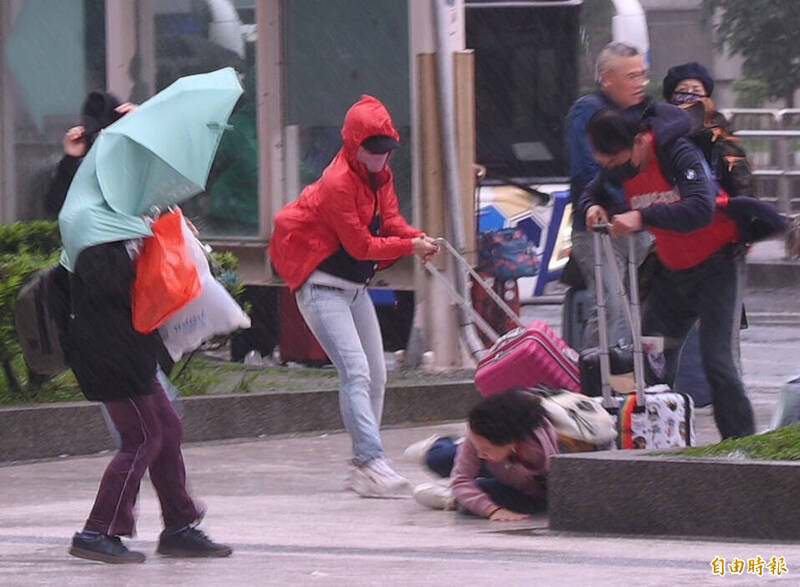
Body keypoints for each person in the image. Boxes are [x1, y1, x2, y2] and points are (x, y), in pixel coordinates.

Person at [269, 95, 439, 498]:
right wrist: (409, 247)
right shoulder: (338, 183)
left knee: (376, 374)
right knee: (356, 372)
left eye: (386, 151)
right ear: (353, 145)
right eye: (372, 150)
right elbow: (362, 246)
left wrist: (416, 238)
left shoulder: (380, 175)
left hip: (354, 290)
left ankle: (367, 464)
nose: (380, 158)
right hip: (322, 290)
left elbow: (391, 221)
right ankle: (369, 460)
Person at [577, 106, 755, 439]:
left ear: (640, 141)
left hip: (718, 266)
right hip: (672, 271)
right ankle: (652, 439)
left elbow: (702, 209)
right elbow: (592, 190)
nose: (615, 171)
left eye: (615, 161)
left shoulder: (677, 151)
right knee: (649, 358)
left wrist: (643, 218)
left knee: (717, 362)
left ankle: (741, 447)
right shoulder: (622, 164)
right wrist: (592, 206)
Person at [63, 239, 232, 564]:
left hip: (131, 354)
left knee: (167, 430)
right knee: (142, 438)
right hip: (110, 355)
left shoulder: (126, 235)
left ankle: (179, 526)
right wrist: (143, 253)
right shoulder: (95, 239)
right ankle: (98, 531)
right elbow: (111, 287)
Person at [565, 42, 654, 349]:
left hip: (641, 226)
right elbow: (586, 170)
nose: (641, 83)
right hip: (599, 228)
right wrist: (623, 202)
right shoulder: (588, 111)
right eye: (632, 76)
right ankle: (592, 381)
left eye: (643, 75)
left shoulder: (645, 113)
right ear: (607, 78)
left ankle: (626, 380)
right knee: (609, 307)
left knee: (632, 311)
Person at [408, 390, 559, 520]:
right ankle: (438, 445)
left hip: (517, 479)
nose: (480, 454)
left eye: (485, 448)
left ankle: (451, 497)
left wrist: (487, 506)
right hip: (494, 463)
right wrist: (492, 510)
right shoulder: (480, 440)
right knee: (439, 460)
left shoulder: (545, 450)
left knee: (491, 493)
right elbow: (462, 479)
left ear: (512, 441)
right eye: (479, 446)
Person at [663, 61, 755, 199]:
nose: (689, 95)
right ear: (671, 96)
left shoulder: (720, 129)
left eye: (696, 91)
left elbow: (739, 174)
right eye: (683, 90)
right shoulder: (660, 127)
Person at [45, 91, 135, 219]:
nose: (104, 140)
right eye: (98, 135)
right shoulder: (86, 165)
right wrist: (71, 159)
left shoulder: (137, 155)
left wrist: (143, 126)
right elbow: (56, 208)